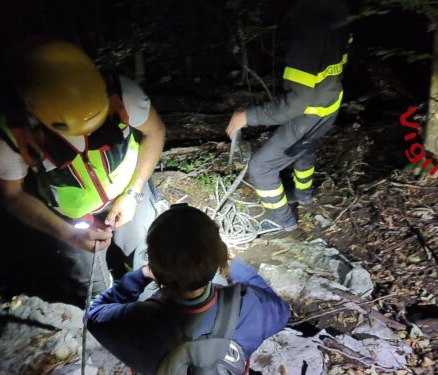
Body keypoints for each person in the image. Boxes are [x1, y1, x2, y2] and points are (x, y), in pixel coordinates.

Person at [0, 40, 165, 302]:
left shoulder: (120, 93)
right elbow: (12, 196)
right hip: (72, 219)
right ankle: (109, 313)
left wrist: (133, 192)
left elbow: (155, 130)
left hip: (130, 193)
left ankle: (151, 297)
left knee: (151, 251)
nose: (87, 136)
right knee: (93, 284)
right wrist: (68, 234)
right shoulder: (13, 135)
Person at [87, 204, 290, 373]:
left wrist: (141, 276)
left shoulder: (137, 319)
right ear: (218, 256)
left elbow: (93, 314)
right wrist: (231, 263)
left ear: (156, 267)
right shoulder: (248, 305)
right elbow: (282, 310)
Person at [226, 0, 351, 231]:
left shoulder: (307, 33)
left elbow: (295, 104)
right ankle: (303, 195)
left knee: (261, 167)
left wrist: (248, 116)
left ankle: (282, 221)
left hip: (308, 114)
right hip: (330, 106)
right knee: (305, 146)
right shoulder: (339, 16)